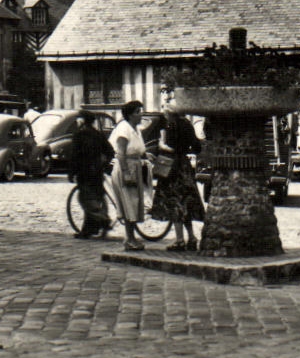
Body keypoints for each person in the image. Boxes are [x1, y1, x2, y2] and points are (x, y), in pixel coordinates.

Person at [150, 108, 205, 251]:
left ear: (169, 115)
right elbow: (197, 147)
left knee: (174, 202)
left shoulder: (171, 126)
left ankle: (180, 240)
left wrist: (162, 145)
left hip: (172, 167)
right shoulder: (187, 124)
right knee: (186, 202)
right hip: (184, 167)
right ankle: (192, 237)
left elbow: (169, 147)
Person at [106, 101, 152, 251]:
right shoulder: (124, 129)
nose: (141, 114)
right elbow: (121, 154)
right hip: (126, 168)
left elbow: (137, 149)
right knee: (129, 204)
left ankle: (131, 237)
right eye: (138, 112)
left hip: (135, 166)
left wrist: (146, 156)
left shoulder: (135, 129)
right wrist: (126, 173)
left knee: (134, 203)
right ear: (131, 115)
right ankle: (129, 238)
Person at [68, 114, 114, 239]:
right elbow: (110, 151)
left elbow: (74, 156)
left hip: (84, 172)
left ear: (82, 121)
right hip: (97, 172)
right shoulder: (98, 134)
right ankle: (88, 230)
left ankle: (103, 219)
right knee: (97, 197)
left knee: (85, 199)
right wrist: (103, 164)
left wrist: (71, 173)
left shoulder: (79, 135)